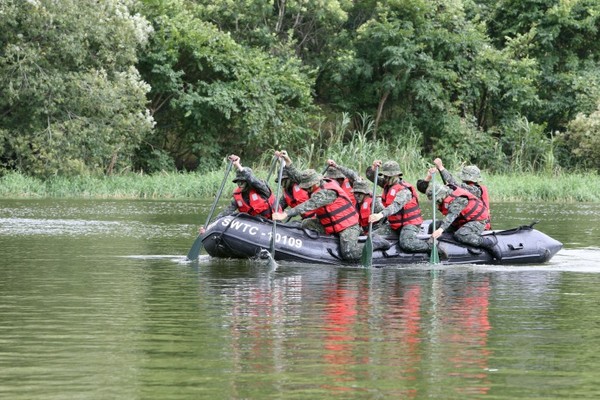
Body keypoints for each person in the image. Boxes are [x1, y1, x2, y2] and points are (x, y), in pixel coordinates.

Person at [272, 167, 390, 262]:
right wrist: (288, 163)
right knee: (306, 223)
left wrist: (286, 213)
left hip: (348, 226)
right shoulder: (316, 186)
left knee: (349, 253)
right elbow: (297, 177)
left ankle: (376, 242)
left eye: (308, 187)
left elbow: (309, 204)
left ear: (314, 184)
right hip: (330, 224)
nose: (306, 190)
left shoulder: (326, 192)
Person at [199, 154, 278, 235]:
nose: (239, 184)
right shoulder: (238, 197)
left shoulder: (262, 189)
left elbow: (252, 179)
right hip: (255, 226)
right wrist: (208, 227)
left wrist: (238, 165)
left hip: (271, 223)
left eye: (242, 182)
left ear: (248, 182)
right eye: (238, 182)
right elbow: (226, 212)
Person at [426, 177, 502, 260]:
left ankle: (489, 244)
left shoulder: (458, 199)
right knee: (433, 225)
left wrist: (440, 230)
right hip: (460, 221)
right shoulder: (447, 195)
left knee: (461, 235)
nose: (437, 202)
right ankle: (432, 246)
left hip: (476, 220)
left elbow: (451, 216)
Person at [366, 160, 431, 254]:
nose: (386, 178)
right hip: (394, 225)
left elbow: (395, 206)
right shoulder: (387, 183)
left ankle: (431, 247)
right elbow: (371, 176)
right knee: (372, 235)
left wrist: (380, 215)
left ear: (396, 176)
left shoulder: (405, 191)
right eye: (385, 176)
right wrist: (373, 168)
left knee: (407, 243)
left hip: (410, 224)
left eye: (389, 176)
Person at [420, 158, 492, 230]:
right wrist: (429, 177)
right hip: (464, 221)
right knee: (434, 225)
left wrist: (441, 167)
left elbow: (454, 184)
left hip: (475, 225)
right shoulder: (468, 188)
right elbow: (453, 186)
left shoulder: (476, 190)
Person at [273, 150, 314, 220]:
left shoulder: (303, 185)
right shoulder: (286, 195)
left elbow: (294, 172)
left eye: (284, 181)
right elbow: (278, 207)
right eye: (281, 181)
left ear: (290, 179)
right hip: (305, 219)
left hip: (316, 217)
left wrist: (287, 159)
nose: (282, 184)